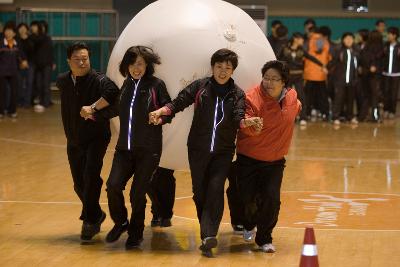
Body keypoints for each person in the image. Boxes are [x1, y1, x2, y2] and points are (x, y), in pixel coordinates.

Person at [149, 48, 261, 257]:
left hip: (223, 152)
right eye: (219, 66)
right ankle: (206, 234)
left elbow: (238, 117)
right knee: (199, 192)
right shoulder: (200, 87)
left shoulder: (237, 93)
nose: (222, 71)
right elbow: (179, 102)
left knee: (216, 188)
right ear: (213, 67)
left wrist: (247, 122)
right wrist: (161, 112)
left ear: (233, 70)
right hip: (198, 149)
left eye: (227, 68)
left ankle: (209, 235)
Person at [104, 46, 173, 250]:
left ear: (147, 65)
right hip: (124, 149)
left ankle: (136, 233)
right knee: (113, 186)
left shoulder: (156, 85)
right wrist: (94, 113)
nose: (136, 68)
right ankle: (121, 222)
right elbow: (116, 108)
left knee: (137, 194)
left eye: (140, 64)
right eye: (132, 64)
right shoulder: (125, 85)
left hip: (148, 151)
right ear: (127, 66)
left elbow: (169, 110)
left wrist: (160, 116)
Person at [56, 42, 119, 241]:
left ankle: (89, 222)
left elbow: (113, 94)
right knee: (78, 184)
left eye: (85, 58)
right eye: (77, 59)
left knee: (91, 176)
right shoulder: (63, 81)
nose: (82, 62)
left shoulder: (99, 80)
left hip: (97, 136)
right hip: (73, 139)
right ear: (68, 61)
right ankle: (97, 214)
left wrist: (93, 107)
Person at [236, 60, 300, 253]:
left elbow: (296, 106)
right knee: (247, 200)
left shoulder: (292, 97)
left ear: (284, 82)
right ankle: (249, 223)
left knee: (272, 199)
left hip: (275, 162)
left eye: (274, 79)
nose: (269, 83)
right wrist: (249, 124)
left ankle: (264, 238)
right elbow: (244, 120)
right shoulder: (252, 98)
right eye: (266, 78)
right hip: (248, 159)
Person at [278, 32, 325, 126]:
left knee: (301, 96)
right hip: (288, 76)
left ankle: (303, 117)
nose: (302, 41)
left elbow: (311, 57)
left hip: (298, 76)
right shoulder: (284, 48)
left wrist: (322, 65)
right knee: (285, 96)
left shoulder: (301, 50)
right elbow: (277, 59)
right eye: (301, 39)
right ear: (295, 39)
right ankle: (286, 117)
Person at [330, 32, 359, 125]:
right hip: (340, 80)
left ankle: (349, 116)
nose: (349, 41)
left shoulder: (355, 51)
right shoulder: (339, 50)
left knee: (350, 99)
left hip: (352, 80)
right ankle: (335, 117)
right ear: (343, 40)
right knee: (338, 99)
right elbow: (332, 62)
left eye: (351, 39)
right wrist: (326, 68)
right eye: (347, 39)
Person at [0, 22, 27, 118]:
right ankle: (1, 111)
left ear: (14, 34)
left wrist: (24, 61)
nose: (8, 32)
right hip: (2, 72)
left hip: (14, 71)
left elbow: (22, 56)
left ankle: (12, 111)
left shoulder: (17, 44)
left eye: (10, 31)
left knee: (14, 92)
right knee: (2, 92)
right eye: (7, 30)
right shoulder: (1, 43)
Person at [358, 30, 384, 122]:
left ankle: (362, 116)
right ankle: (375, 116)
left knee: (366, 96)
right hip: (375, 75)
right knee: (374, 96)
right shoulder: (380, 48)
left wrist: (365, 67)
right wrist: (373, 66)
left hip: (365, 74)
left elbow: (362, 59)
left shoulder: (365, 47)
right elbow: (378, 60)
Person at [382, 26, 400, 119]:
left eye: (390, 34)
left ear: (395, 35)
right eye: (388, 34)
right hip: (386, 73)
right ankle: (386, 110)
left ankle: (392, 111)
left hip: (396, 74)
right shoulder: (385, 45)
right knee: (386, 93)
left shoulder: (399, 46)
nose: (388, 36)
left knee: (393, 94)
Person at [16, 23, 35, 108]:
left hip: (30, 64)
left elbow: (35, 52)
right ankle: (20, 101)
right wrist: (22, 61)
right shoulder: (16, 39)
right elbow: (16, 52)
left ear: (27, 29)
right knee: (19, 84)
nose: (22, 29)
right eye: (21, 28)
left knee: (29, 83)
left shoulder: (31, 39)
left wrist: (27, 62)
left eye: (24, 28)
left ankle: (27, 102)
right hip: (19, 64)